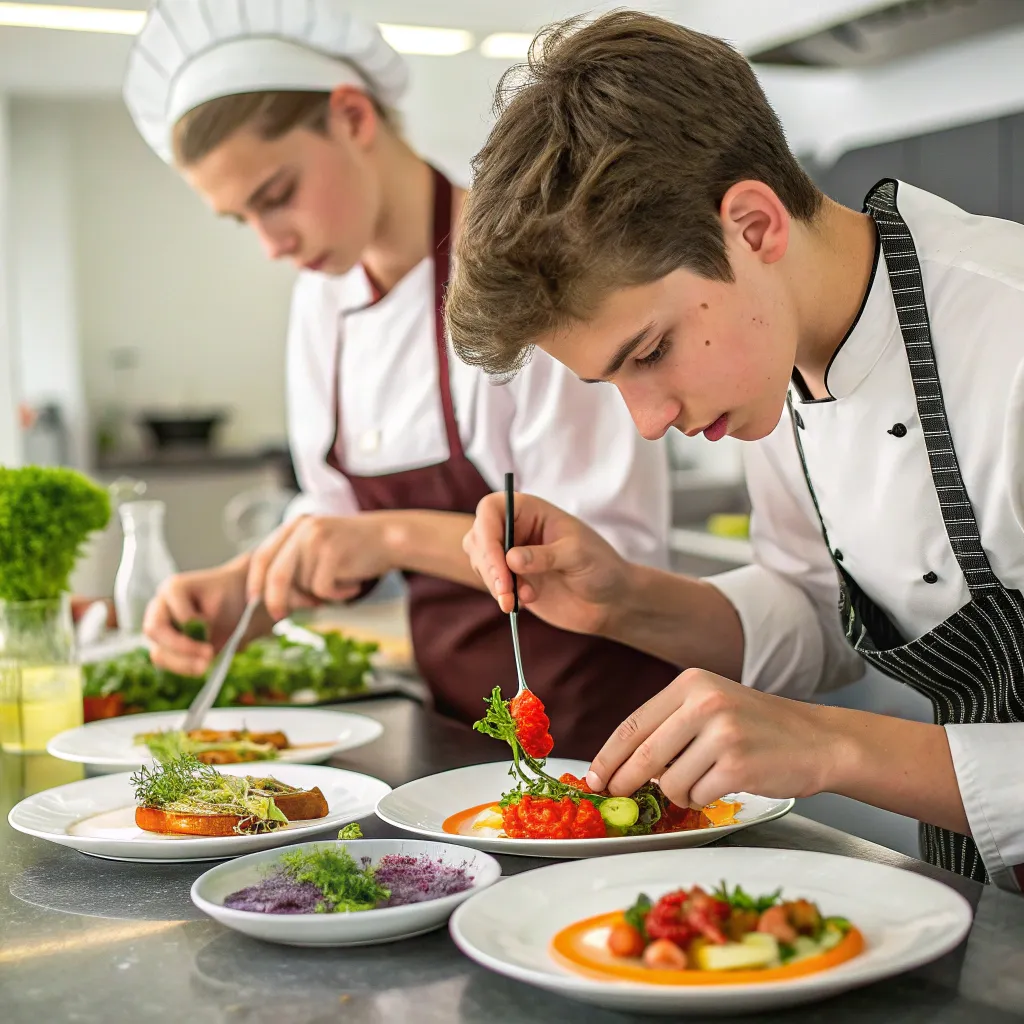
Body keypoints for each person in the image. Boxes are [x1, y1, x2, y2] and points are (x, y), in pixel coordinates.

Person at [450, 11, 1024, 890]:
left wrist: (833, 743)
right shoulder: (779, 359)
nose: (649, 420)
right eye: (612, 382)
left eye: (649, 352)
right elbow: (811, 609)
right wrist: (623, 599)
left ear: (753, 227)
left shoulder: (1012, 334)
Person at [121, 0, 681, 756]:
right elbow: (333, 523)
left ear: (352, 117)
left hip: (609, 733)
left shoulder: (533, 265)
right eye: (241, 220)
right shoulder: (323, 302)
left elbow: (614, 556)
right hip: (458, 734)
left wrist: (386, 537)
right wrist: (244, 590)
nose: (272, 243)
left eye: (276, 196)